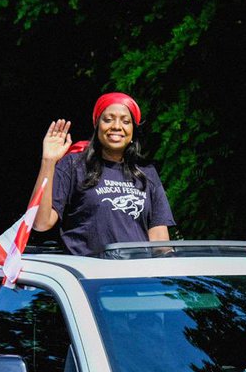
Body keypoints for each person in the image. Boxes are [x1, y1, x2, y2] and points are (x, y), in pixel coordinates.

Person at [30, 92, 175, 256]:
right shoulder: (73, 165)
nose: (117, 126)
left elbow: (160, 242)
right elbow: (41, 223)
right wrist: (48, 161)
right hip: (89, 270)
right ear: (97, 125)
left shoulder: (146, 173)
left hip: (136, 269)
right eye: (108, 119)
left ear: (133, 131)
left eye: (125, 121)